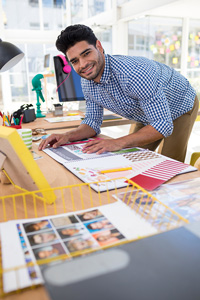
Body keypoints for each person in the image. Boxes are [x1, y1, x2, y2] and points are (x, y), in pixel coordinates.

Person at [38, 24, 199, 163]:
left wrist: (118, 142)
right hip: (145, 112)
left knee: (168, 164)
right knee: (131, 159)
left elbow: (163, 125)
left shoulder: (134, 74)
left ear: (99, 47)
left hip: (179, 105)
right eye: (75, 61)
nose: (83, 64)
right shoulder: (87, 81)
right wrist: (67, 136)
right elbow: (92, 123)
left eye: (86, 53)